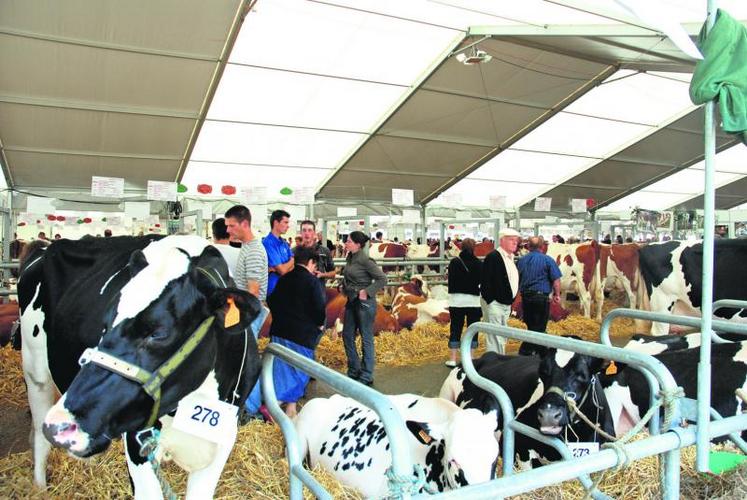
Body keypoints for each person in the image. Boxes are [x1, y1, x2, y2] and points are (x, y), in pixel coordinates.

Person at [265, 246, 326, 417]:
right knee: (300, 371)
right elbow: (319, 308)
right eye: (315, 264)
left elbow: (273, 300)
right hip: (301, 335)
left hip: (279, 332)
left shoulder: (284, 279)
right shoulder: (312, 281)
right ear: (310, 262)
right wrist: (319, 324)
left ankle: (291, 408)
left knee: (281, 369)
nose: (315, 268)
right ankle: (273, 407)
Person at [341, 231, 387, 386]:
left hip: (364, 304)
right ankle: (354, 369)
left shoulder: (366, 260)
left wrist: (366, 292)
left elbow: (382, 279)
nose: (346, 243)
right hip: (351, 301)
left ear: (357, 244)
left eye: (348, 241)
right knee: (347, 335)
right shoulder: (350, 257)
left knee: (366, 337)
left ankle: (367, 374)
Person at [480, 227, 520, 354]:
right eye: (511, 240)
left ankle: (499, 359)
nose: (515, 243)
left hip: (505, 304)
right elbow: (485, 280)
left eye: (516, 240)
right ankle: (494, 362)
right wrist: (491, 301)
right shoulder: (493, 257)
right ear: (502, 241)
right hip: (496, 303)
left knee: (501, 335)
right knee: (495, 335)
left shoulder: (510, 258)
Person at [446, 238, 482, 367]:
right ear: (474, 248)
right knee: (473, 329)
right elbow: (481, 282)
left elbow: (449, 279)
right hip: (473, 301)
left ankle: (453, 358)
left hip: (456, 301)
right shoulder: (479, 263)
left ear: (460, 247)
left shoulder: (455, 262)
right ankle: (471, 358)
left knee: (455, 328)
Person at [517, 236, 562, 337]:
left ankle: (531, 348)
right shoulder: (548, 260)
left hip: (526, 297)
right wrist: (557, 294)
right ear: (542, 246)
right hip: (541, 297)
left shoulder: (521, 261)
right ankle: (532, 349)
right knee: (540, 326)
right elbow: (556, 280)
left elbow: (517, 278)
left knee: (530, 324)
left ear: (528, 246)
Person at [224, 205, 268, 301]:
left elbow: (253, 294)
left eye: (231, 226)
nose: (227, 230)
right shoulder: (247, 245)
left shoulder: (254, 251)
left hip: (250, 312)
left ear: (244, 224)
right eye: (227, 226)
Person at [263, 209, 294, 296]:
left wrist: (281, 267)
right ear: (276, 223)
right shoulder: (267, 242)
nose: (288, 226)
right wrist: (290, 262)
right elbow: (282, 270)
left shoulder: (283, 242)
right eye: (285, 222)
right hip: (274, 290)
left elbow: (292, 266)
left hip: (286, 287)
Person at [296, 220, 336, 284]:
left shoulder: (324, 251)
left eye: (309, 230)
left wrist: (322, 274)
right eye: (304, 230)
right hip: (300, 291)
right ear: (301, 233)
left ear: (314, 233)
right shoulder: (294, 252)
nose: (307, 233)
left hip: (319, 290)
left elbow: (333, 273)